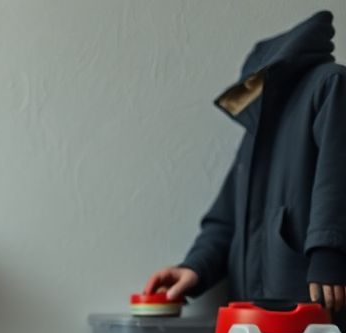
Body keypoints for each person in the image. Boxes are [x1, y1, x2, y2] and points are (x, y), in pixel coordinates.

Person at [144, 11, 346, 314]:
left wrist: (330, 254)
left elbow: (338, 173)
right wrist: (194, 268)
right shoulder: (256, 135)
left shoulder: (330, 86)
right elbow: (225, 220)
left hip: (316, 312)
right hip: (253, 321)